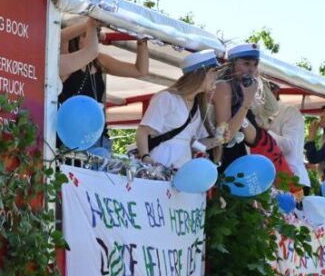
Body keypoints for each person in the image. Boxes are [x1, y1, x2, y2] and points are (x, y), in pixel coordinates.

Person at [59, 15, 150, 149]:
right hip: (72, 137)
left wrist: (142, 41)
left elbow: (140, 70)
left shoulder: (99, 60)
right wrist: (88, 24)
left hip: (98, 137)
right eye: (86, 35)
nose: (93, 37)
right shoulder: (66, 59)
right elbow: (61, 37)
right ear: (76, 39)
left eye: (95, 34)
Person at [134, 49, 219, 169]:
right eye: (213, 72)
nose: (216, 77)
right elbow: (143, 131)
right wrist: (145, 157)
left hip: (184, 166)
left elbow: (192, 143)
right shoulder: (166, 97)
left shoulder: (198, 105)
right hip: (161, 162)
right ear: (199, 73)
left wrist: (217, 141)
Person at [211, 43, 261, 169]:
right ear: (232, 64)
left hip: (236, 164)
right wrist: (245, 104)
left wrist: (243, 115)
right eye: (246, 63)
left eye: (255, 64)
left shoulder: (244, 92)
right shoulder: (221, 87)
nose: (251, 69)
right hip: (216, 161)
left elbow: (253, 139)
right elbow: (225, 136)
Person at [265, 82, 310, 193]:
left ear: (274, 92)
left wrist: (264, 131)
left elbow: (288, 146)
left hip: (293, 182)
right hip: (273, 181)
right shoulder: (260, 114)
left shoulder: (289, 111)